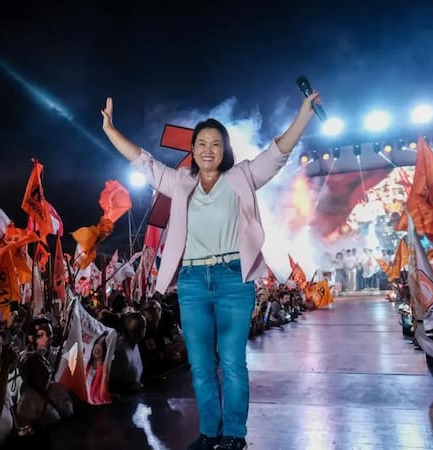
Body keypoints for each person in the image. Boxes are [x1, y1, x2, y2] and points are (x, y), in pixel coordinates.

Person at [101, 90, 320, 450]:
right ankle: (209, 432)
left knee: (232, 363)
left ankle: (234, 435)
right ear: (192, 149)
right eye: (201, 143)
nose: (208, 150)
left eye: (215, 144)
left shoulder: (242, 176)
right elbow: (144, 162)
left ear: (224, 149)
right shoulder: (180, 182)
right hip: (192, 283)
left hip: (233, 278)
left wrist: (304, 114)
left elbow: (277, 152)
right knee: (201, 365)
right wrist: (110, 130)